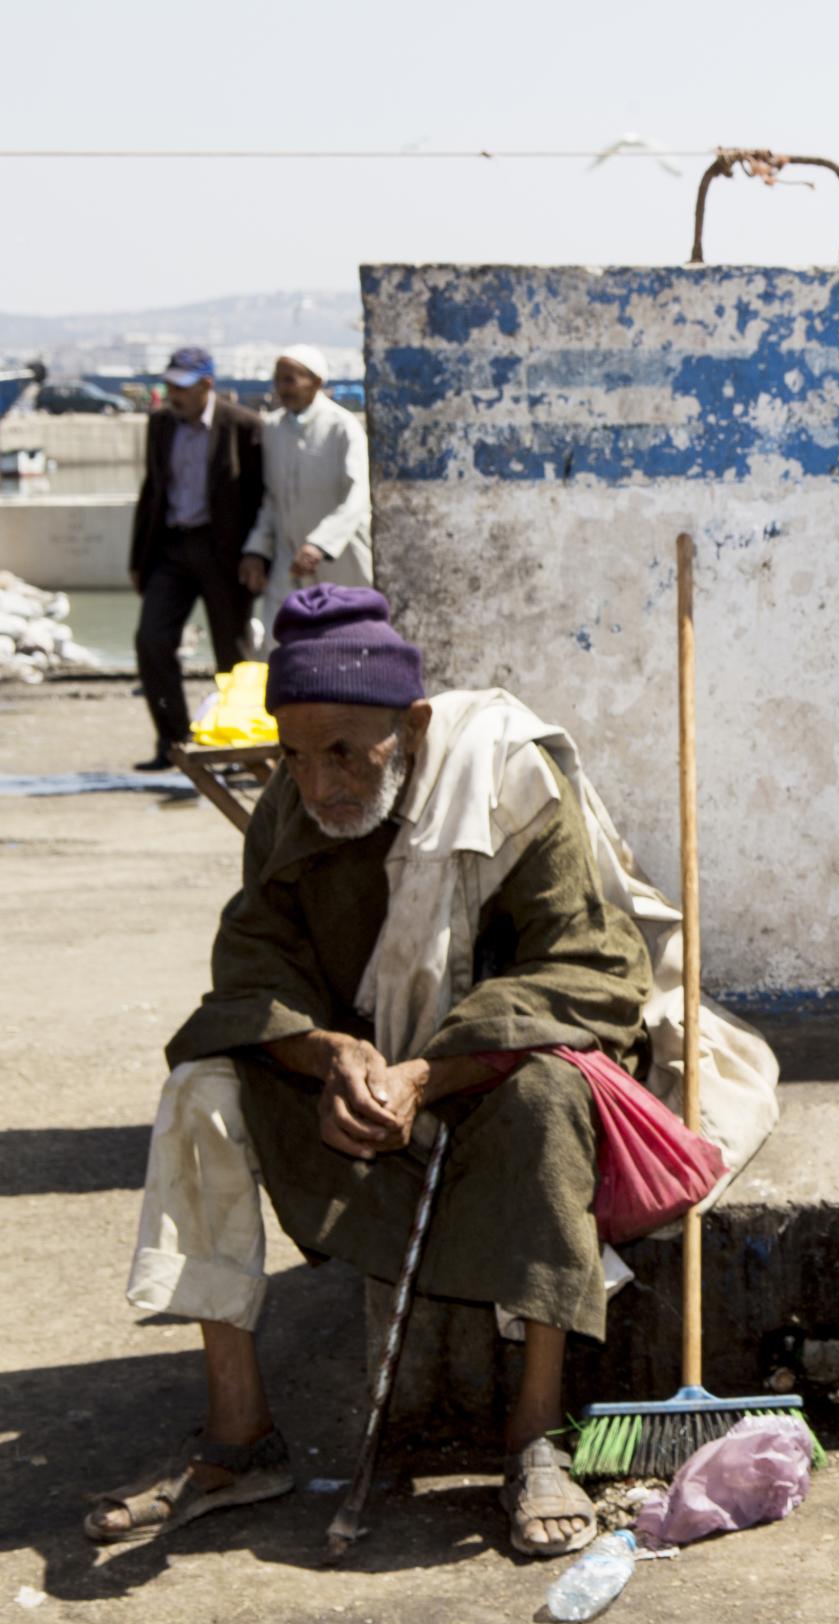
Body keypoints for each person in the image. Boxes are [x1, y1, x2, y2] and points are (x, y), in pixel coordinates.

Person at [84, 586, 779, 1556]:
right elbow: (253, 965)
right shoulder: (291, 803)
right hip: (359, 1089)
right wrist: (330, 1056)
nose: (317, 781)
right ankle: (240, 1437)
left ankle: (534, 1431)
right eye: (294, 752)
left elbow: (589, 970)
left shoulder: (506, 779)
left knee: (550, 1094)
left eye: (343, 753)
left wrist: (427, 1070)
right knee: (202, 1088)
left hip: (490, 1070)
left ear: (410, 725)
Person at [129, 346, 264, 771]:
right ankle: (173, 743)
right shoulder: (160, 425)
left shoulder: (243, 426)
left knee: (233, 654)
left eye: (182, 387)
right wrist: (138, 558)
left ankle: (240, 750)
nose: (173, 395)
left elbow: (260, 497)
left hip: (223, 553)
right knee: (152, 640)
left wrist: (256, 554)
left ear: (208, 385)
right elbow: (152, 490)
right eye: (169, 386)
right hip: (170, 548)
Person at [242, 344, 372, 644]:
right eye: (279, 380)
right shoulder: (273, 429)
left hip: (338, 558)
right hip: (290, 557)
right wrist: (257, 549)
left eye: (291, 380)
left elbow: (357, 496)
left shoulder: (343, 427)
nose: (282, 389)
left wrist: (320, 544)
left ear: (315, 382)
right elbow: (272, 500)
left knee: (347, 640)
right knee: (280, 640)